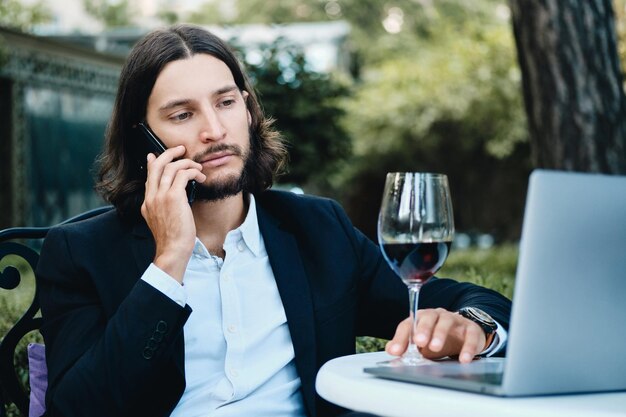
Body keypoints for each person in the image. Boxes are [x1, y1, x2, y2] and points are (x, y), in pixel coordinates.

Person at [36, 24, 511, 417]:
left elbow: (467, 299)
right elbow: (78, 407)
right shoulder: (81, 252)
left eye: (226, 102)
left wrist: (473, 325)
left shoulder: (317, 229)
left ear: (248, 109)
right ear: (143, 139)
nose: (215, 130)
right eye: (183, 114)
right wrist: (169, 262)